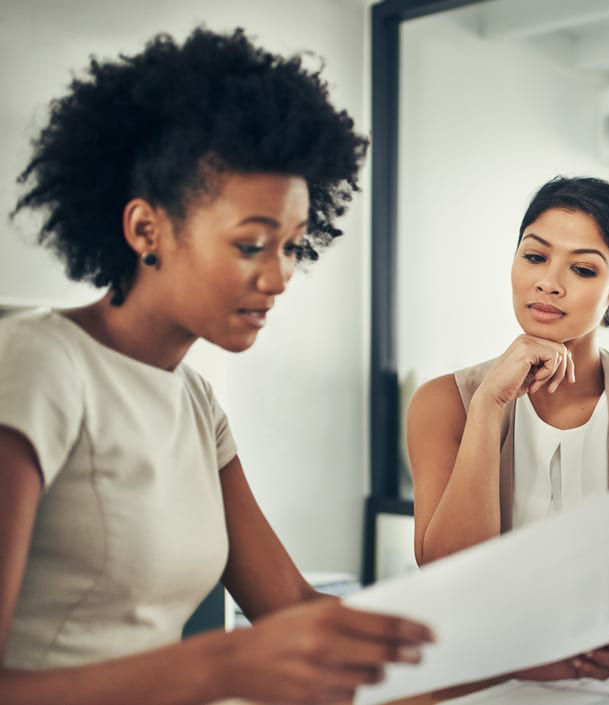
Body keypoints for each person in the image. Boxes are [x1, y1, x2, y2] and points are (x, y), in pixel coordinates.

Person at [0, 28, 433, 705]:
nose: (281, 276)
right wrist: (221, 666)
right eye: (253, 244)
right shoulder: (36, 364)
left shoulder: (195, 401)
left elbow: (291, 604)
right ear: (147, 230)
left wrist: (518, 645)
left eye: (293, 246)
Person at [405, 176, 609, 679]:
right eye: (534, 256)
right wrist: (488, 406)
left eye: (583, 268)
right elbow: (447, 577)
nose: (549, 282)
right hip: (484, 680)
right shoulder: (444, 403)